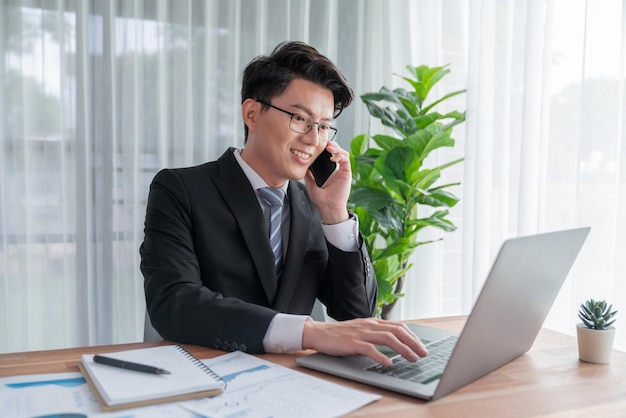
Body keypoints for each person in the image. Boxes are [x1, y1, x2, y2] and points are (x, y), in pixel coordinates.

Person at [140, 41, 427, 366]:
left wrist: (334, 214)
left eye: (322, 126)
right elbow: (174, 303)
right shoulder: (181, 189)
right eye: (300, 119)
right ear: (252, 113)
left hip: (295, 383)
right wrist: (310, 333)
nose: (313, 139)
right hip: (205, 377)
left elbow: (357, 313)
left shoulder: (315, 204)